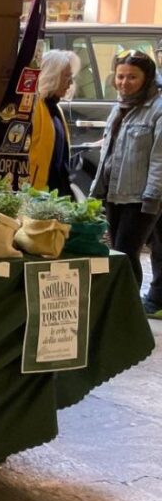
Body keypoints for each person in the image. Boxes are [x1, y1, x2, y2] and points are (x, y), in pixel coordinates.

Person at [87, 50, 162, 317]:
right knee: (120, 251)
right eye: (120, 76)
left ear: (147, 77)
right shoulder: (121, 106)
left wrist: (152, 198)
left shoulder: (157, 109)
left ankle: (124, 312)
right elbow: (110, 150)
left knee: (125, 253)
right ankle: (129, 305)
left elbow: (159, 159)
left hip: (140, 197)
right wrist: (97, 189)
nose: (124, 82)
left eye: (132, 77)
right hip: (114, 192)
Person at [28, 50, 80, 195]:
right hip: (37, 192)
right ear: (52, 76)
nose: (70, 83)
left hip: (54, 191)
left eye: (71, 77)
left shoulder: (55, 108)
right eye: (67, 77)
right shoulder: (36, 107)